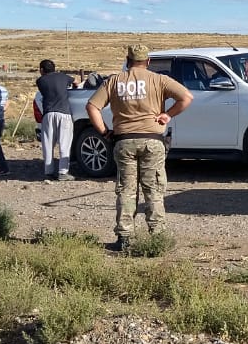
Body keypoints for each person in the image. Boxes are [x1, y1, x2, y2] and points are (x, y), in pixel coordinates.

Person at [86, 43, 192, 251]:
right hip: (152, 139)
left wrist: (104, 132)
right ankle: (157, 235)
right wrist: (168, 115)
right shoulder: (159, 80)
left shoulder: (115, 81)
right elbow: (187, 97)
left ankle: (125, 237)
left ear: (127, 60)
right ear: (148, 61)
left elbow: (92, 106)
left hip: (124, 140)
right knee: (153, 188)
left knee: (126, 189)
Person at [36, 58, 79, 181]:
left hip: (48, 114)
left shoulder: (40, 81)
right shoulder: (64, 77)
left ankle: (48, 171)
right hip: (64, 113)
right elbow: (76, 82)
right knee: (64, 143)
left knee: (48, 144)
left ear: (42, 70)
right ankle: (63, 172)